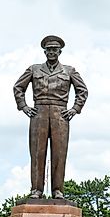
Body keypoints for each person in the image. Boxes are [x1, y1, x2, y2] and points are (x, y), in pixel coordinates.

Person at [13, 35, 88, 199]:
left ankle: (57, 190)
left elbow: (82, 91)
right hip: (38, 113)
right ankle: (36, 189)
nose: (51, 52)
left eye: (54, 49)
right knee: (37, 153)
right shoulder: (34, 69)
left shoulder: (69, 71)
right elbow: (18, 87)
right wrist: (24, 106)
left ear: (60, 52)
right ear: (44, 52)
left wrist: (75, 109)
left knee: (59, 154)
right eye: (48, 50)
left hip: (60, 114)